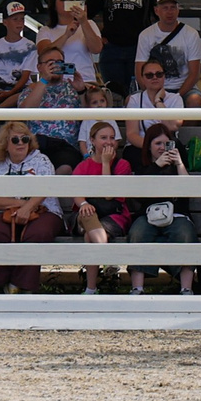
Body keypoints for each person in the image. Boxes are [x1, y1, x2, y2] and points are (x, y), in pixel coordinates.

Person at [0, 121, 62, 291]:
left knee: (37, 233)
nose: (21, 143)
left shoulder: (42, 160)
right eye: (15, 140)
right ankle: (4, 283)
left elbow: (45, 189)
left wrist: (28, 208)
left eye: (25, 139)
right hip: (8, 212)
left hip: (45, 211)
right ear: (5, 144)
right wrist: (23, 205)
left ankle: (18, 286)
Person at [128, 124, 199, 294]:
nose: (162, 148)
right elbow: (139, 194)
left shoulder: (177, 165)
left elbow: (188, 190)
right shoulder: (142, 165)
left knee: (184, 233)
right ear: (149, 146)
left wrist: (179, 163)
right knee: (137, 233)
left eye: (166, 143)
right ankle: (137, 288)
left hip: (177, 214)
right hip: (149, 215)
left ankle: (186, 289)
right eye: (157, 143)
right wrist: (157, 166)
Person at [67, 121, 135, 293]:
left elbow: (109, 195)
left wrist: (106, 163)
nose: (109, 142)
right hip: (86, 214)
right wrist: (83, 203)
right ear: (92, 140)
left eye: (112, 138)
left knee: (91, 236)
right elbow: (77, 193)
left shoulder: (122, 165)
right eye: (103, 138)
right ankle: (108, 258)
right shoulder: (83, 166)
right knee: (88, 215)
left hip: (114, 215)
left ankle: (91, 288)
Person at [89, 0, 156, 97]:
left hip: (139, 50)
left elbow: (160, 13)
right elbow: (86, 14)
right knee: (114, 94)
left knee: (137, 95)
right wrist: (98, 36)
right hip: (111, 49)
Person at [17, 43, 87, 168]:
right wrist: (44, 80)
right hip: (37, 145)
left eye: (59, 62)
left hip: (66, 146)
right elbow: (24, 113)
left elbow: (89, 118)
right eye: (50, 62)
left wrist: (81, 91)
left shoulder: (73, 87)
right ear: (39, 67)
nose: (55, 66)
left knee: (65, 168)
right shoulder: (30, 90)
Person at [133, 0, 200, 99]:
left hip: (183, 87)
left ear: (178, 10)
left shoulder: (191, 34)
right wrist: (150, 94)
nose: (169, 12)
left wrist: (176, 97)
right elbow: (139, 71)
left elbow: (194, 74)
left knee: (195, 100)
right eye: (165, 8)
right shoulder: (145, 35)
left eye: (173, 7)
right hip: (153, 88)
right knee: (129, 100)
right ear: (156, 10)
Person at [46, 0, 104, 87]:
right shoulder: (47, 30)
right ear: (54, 5)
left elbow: (97, 49)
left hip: (86, 80)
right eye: (63, 0)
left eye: (72, 0)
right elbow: (44, 53)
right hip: (57, 83)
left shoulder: (89, 24)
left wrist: (84, 22)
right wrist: (66, 35)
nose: (68, 3)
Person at [0, 0, 40, 103]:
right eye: (15, 19)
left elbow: (25, 76)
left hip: (23, 93)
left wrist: (9, 93)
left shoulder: (30, 46)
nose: (20, 22)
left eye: (22, 19)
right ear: (5, 22)